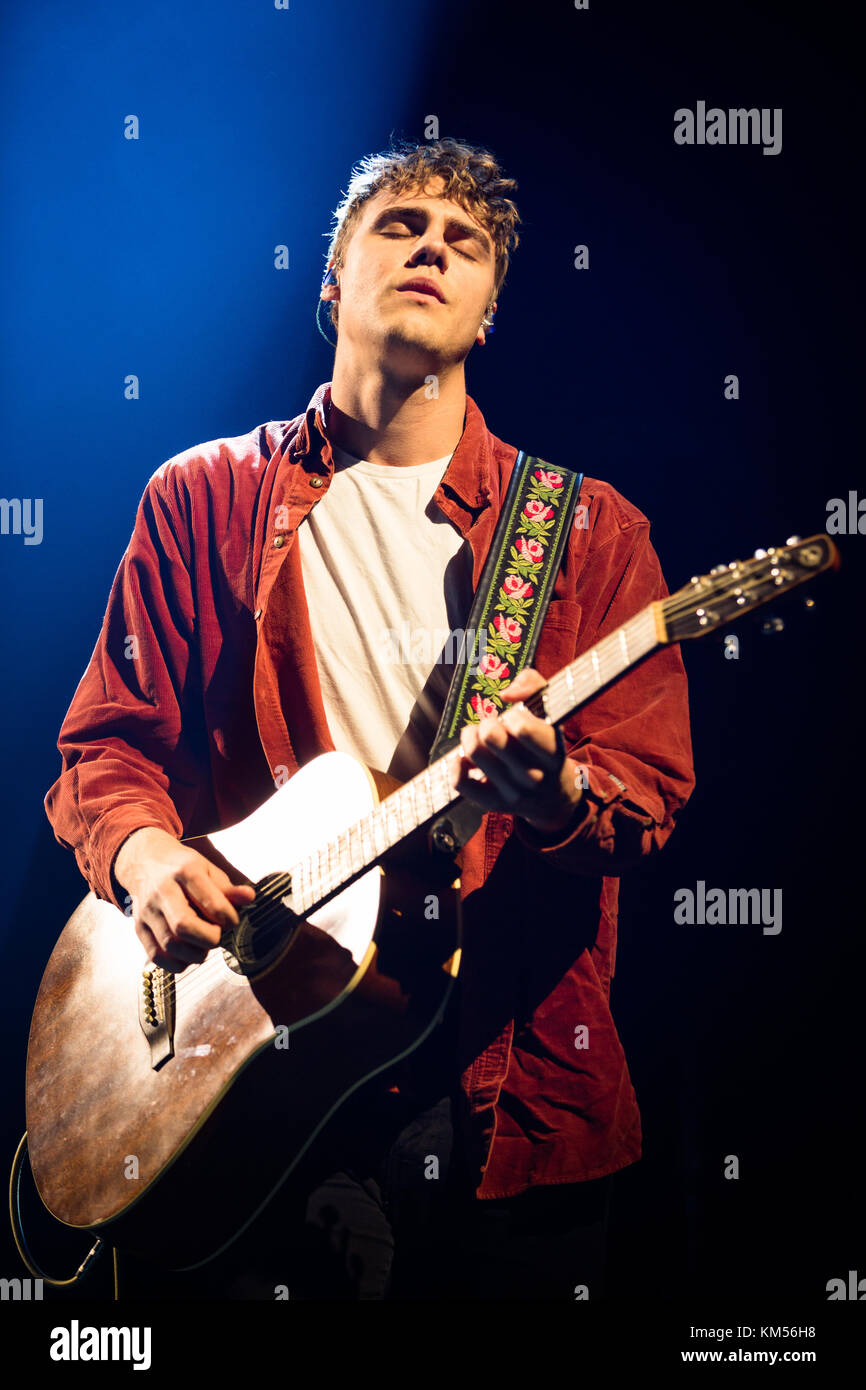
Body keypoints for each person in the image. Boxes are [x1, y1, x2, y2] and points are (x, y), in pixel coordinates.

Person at [44, 136, 695, 1300]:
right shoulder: (202, 498)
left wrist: (556, 795)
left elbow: (643, 793)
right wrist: (144, 860)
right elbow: (107, 746)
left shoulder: (591, 532)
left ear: (489, 307)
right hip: (234, 1062)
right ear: (331, 280)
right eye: (401, 226)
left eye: (467, 243)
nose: (433, 249)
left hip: (500, 1093)